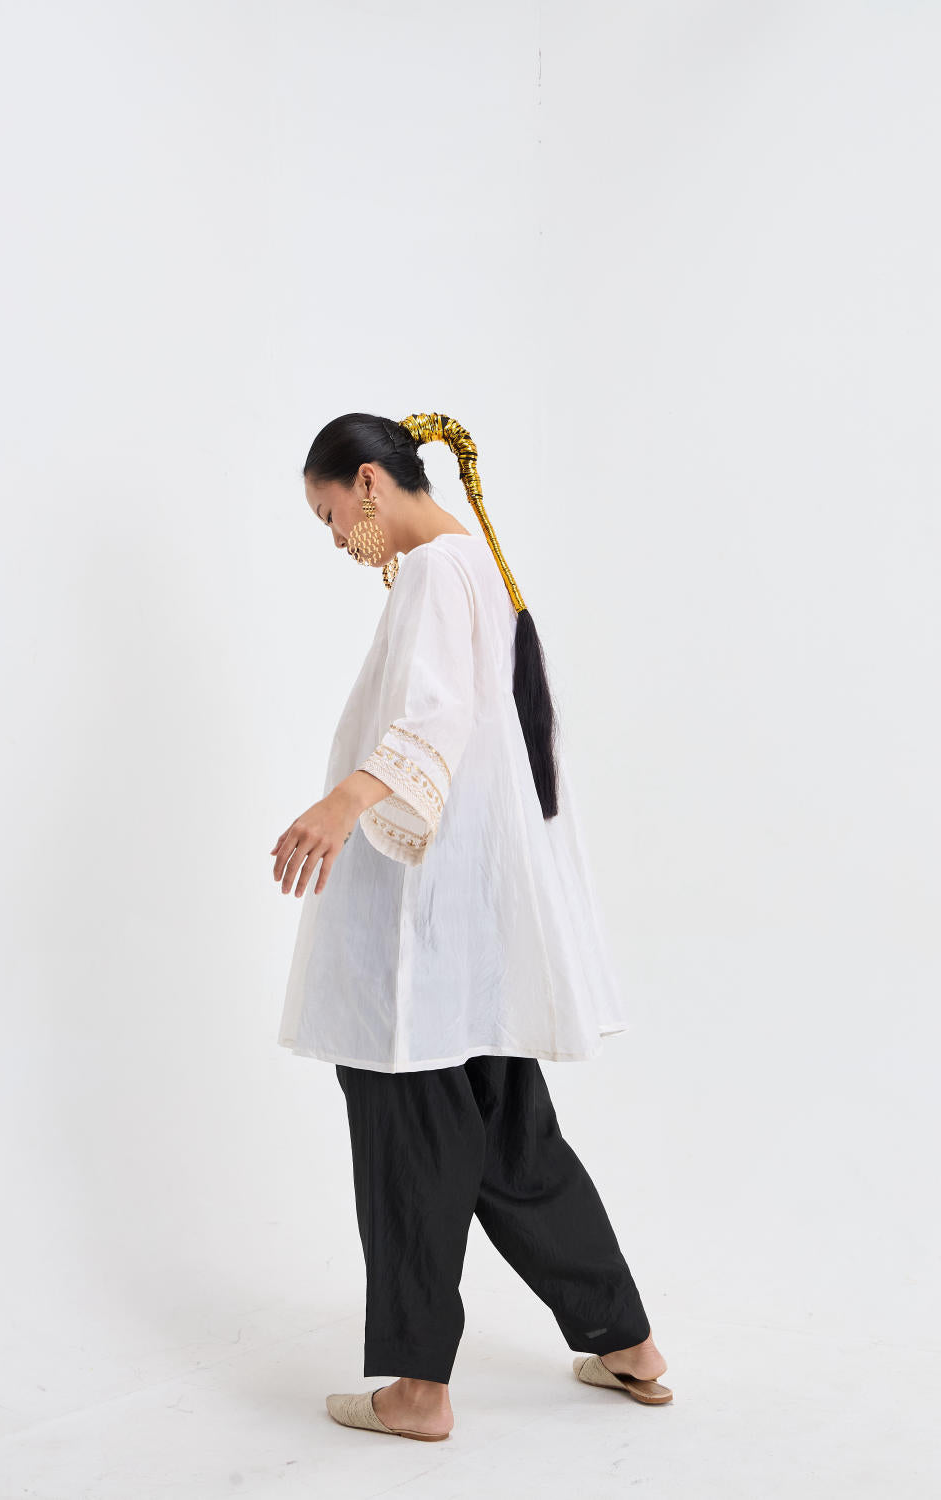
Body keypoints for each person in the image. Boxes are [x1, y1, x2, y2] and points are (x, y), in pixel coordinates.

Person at [271, 412, 670, 1441]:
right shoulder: (471, 569)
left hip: (421, 935)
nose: (334, 538)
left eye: (329, 513)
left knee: (410, 1139)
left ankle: (417, 1392)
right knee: (508, 1141)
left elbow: (435, 718)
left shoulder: (436, 571)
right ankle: (625, 1341)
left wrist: (343, 801)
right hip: (468, 933)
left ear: (369, 483)